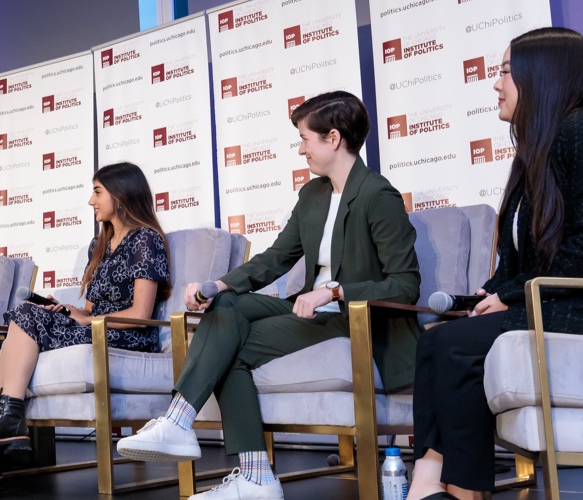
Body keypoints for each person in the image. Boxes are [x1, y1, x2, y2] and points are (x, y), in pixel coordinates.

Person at [403, 28, 583, 500]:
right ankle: (433, 476)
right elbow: (520, 260)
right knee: (436, 342)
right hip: (569, 296)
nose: (495, 84)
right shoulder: (533, 156)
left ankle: (457, 489)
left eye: (503, 71)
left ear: (540, 75)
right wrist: (492, 292)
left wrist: (512, 296)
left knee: (457, 346)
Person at [115, 90, 422, 500]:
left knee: (230, 347)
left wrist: (334, 291)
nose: (301, 150)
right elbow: (276, 258)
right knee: (226, 310)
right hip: (312, 311)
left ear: (333, 139)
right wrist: (218, 285)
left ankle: (238, 464)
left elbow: (405, 283)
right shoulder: (312, 196)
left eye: (305, 139)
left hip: (356, 318)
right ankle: (214, 444)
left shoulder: (377, 195)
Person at [0, 162, 171, 494]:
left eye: (97, 192)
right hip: (97, 327)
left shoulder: (146, 239)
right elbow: (89, 307)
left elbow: (140, 311)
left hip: (129, 336)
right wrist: (71, 311)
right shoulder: (99, 244)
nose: (91, 201)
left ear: (121, 194)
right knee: (23, 313)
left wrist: (89, 320)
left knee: (26, 316)